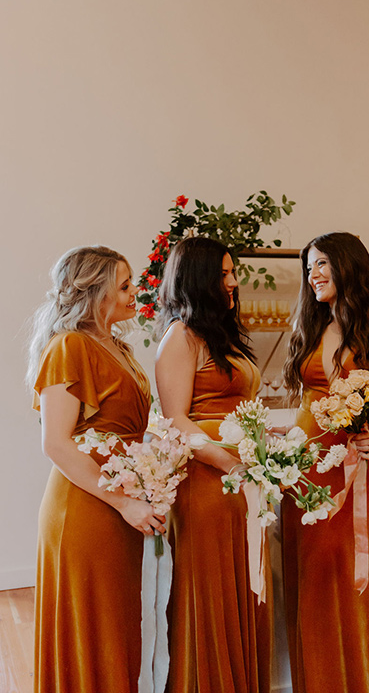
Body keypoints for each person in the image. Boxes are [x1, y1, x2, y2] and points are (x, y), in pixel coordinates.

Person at [282, 232, 369, 693]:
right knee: (310, 569)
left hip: (358, 459)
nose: (313, 274)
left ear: (349, 266)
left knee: (346, 566)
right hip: (304, 464)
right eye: (309, 267)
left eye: (322, 263)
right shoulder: (311, 325)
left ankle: (356, 679)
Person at [27, 245, 165, 693]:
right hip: (87, 506)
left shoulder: (117, 345)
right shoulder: (69, 346)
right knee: (93, 624)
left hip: (117, 501)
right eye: (124, 285)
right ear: (96, 292)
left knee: (118, 622)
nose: (134, 292)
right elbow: (56, 443)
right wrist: (123, 501)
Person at [155, 236, 273, 693]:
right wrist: (229, 463)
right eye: (223, 274)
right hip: (207, 480)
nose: (233, 282)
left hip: (242, 478)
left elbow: (239, 404)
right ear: (199, 279)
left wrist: (266, 440)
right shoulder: (179, 337)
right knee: (210, 592)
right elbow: (175, 420)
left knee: (243, 584)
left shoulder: (219, 335)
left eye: (232, 272)